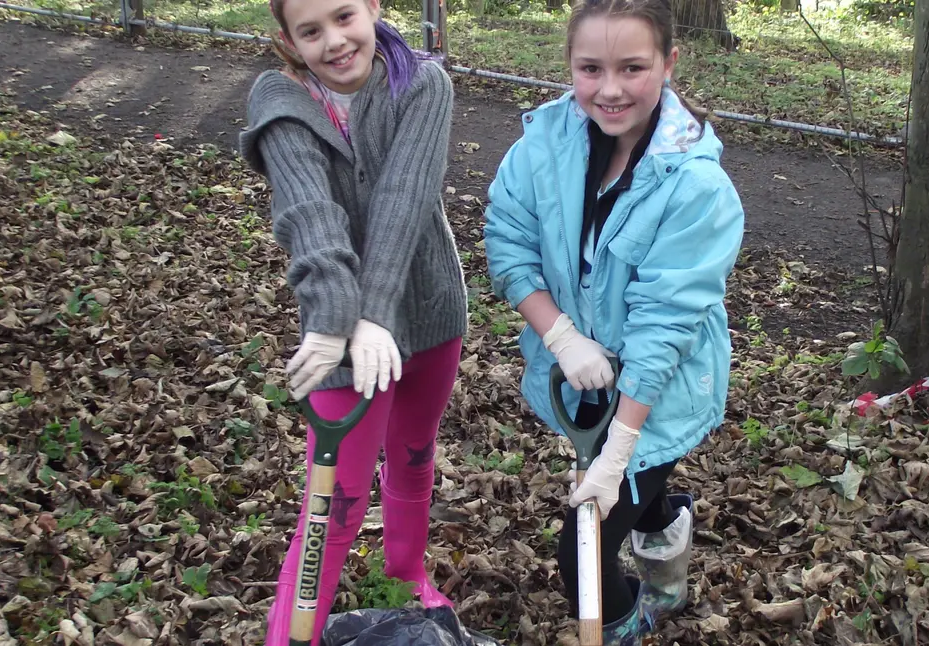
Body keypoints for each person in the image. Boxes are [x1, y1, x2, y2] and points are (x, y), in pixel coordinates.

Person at [482, 0, 745, 640]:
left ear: (669, 63)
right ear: (570, 66)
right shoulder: (543, 144)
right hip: (580, 381)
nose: (610, 89)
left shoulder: (697, 188)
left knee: (583, 556)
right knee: (638, 490)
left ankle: (626, 624)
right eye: (590, 68)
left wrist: (620, 446)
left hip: (658, 392)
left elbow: (664, 326)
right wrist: (560, 334)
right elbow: (507, 243)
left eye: (633, 67)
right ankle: (665, 529)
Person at [236, 0, 467, 640]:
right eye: (311, 31)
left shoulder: (421, 83)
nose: (335, 41)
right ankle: (292, 632)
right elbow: (309, 211)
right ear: (288, 38)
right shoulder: (279, 99)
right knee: (333, 501)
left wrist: (379, 313)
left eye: (344, 17)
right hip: (337, 338)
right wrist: (341, 320)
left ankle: (405, 574)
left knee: (414, 456)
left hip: (429, 315)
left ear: (372, 8)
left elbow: (404, 197)